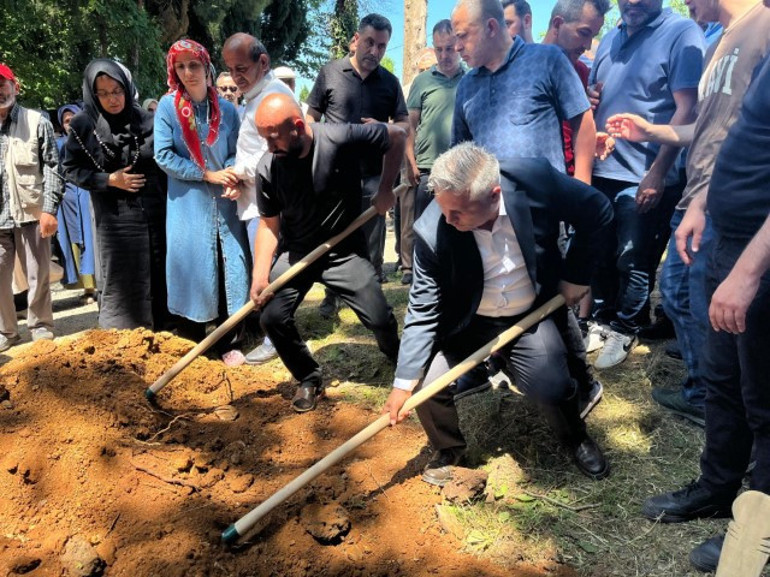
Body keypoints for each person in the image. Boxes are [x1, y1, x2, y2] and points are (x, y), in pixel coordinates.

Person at [382, 143, 613, 485]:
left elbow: (598, 210)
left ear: (494, 195)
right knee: (426, 387)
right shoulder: (433, 230)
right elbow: (423, 306)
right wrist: (404, 382)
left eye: (458, 212)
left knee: (551, 385)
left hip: (528, 317)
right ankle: (448, 448)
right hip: (467, 324)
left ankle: (575, 436)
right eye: (444, 210)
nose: (448, 220)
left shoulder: (533, 179)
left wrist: (576, 276)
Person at [604, 0, 770, 425]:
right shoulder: (722, 40)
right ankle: (707, 396)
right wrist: (652, 130)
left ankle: (727, 412)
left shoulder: (763, 24)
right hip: (700, 195)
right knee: (680, 294)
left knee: (717, 312)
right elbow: (708, 125)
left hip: (733, 201)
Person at [642, 43, 770, 573]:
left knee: (764, 403)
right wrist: (701, 202)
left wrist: (749, 272)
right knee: (721, 380)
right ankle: (718, 489)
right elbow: (742, 138)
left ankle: (758, 528)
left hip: (758, 254)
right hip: (724, 232)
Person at [451, 0, 603, 417]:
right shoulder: (467, 86)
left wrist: (581, 190)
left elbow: (582, 123)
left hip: (542, 210)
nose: (456, 43)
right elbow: (460, 156)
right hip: (488, 215)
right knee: (490, 290)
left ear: (493, 28)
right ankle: (489, 362)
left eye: (463, 34)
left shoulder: (547, 60)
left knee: (549, 297)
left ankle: (582, 381)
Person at [251, 93, 403, 413]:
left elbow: (397, 135)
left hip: (344, 250)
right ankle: (309, 376)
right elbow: (268, 226)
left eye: (273, 138)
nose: (268, 147)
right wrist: (260, 274)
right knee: (271, 316)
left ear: (297, 127)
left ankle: (400, 359)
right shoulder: (268, 167)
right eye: (263, 139)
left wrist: (386, 188)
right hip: (297, 254)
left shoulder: (337, 137)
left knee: (379, 316)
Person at [587, 0, 705, 369]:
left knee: (633, 260)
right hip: (604, 168)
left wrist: (658, 170)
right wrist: (593, 100)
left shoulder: (682, 33)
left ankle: (627, 326)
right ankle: (603, 320)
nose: (632, 2)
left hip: (645, 172)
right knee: (602, 255)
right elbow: (597, 94)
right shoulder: (610, 38)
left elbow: (687, 109)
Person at [154, 39, 249, 366]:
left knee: (230, 269)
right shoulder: (168, 108)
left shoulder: (227, 109)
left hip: (226, 201)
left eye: (193, 65)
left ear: (206, 67)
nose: (188, 72)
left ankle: (229, 342)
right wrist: (205, 174)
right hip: (189, 203)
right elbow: (163, 155)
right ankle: (193, 342)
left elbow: (239, 149)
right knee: (192, 268)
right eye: (180, 66)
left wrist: (234, 175)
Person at [307, 13, 409, 314]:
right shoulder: (330, 73)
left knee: (372, 242)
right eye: (369, 43)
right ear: (355, 40)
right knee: (334, 237)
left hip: (374, 176)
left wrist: (382, 126)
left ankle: (370, 297)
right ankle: (332, 296)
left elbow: (403, 123)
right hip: (332, 175)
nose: (375, 52)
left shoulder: (389, 83)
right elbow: (310, 118)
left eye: (381, 46)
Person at [63, 59, 169, 330]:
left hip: (154, 216)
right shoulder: (83, 125)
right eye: (104, 93)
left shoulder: (147, 121)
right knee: (122, 279)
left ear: (127, 87)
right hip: (115, 220)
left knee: (159, 273)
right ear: (93, 93)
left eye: (117, 90)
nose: (113, 99)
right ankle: (124, 340)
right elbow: (72, 169)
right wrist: (109, 179)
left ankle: (165, 335)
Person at [221, 33, 296, 365]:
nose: (236, 76)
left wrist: (239, 173)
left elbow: (274, 151)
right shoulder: (253, 95)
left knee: (269, 272)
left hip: (269, 202)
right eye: (230, 69)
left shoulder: (275, 96)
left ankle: (275, 339)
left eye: (242, 67)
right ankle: (273, 333)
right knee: (264, 269)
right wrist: (240, 176)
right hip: (253, 196)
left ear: (262, 62)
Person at [0, 63, 61, 351]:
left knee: (38, 275)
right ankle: (6, 331)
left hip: (30, 210)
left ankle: (40, 326)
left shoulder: (37, 122)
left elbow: (52, 167)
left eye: (3, 84)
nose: (0, 91)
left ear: (15, 87)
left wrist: (49, 209)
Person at [404, 19, 464, 287]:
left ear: (459, 46)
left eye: (449, 48)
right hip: (428, 169)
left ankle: (456, 281)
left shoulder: (472, 78)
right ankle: (424, 281)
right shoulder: (422, 81)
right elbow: (410, 126)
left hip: (462, 171)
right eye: (439, 49)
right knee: (425, 231)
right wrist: (411, 162)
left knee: (461, 229)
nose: (444, 55)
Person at [55, 103, 96, 304]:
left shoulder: (93, 138)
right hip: (69, 199)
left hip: (89, 195)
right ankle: (86, 287)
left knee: (92, 238)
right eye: (66, 121)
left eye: (74, 119)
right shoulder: (59, 144)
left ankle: (99, 285)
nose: (70, 124)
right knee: (76, 241)